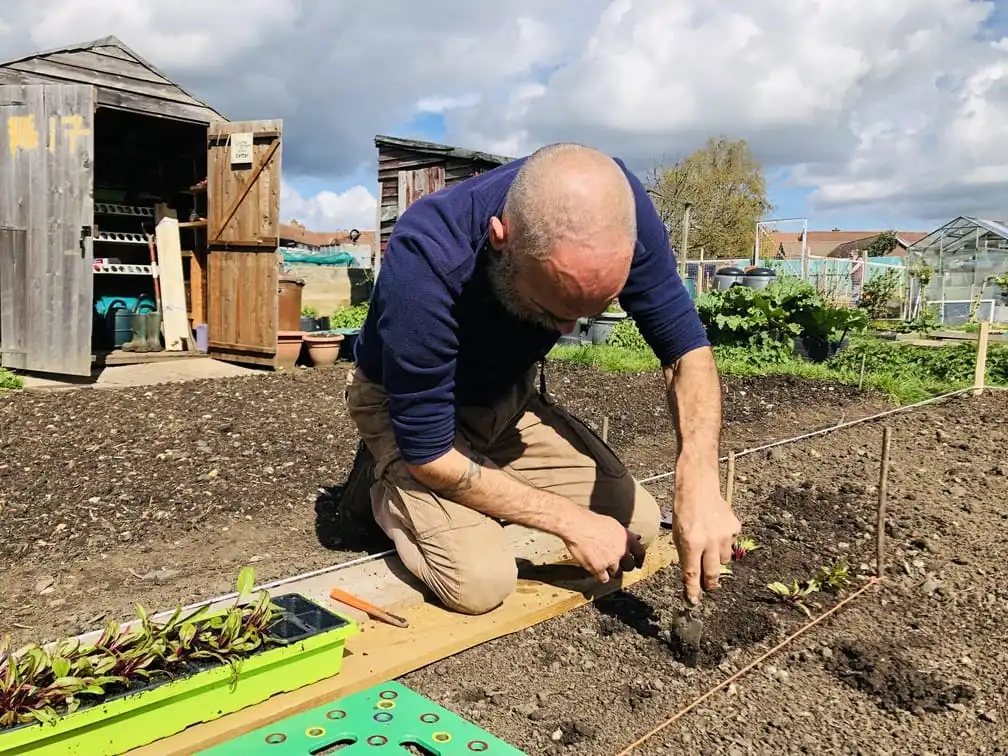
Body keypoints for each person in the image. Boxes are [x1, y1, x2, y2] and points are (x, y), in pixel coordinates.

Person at [340, 142, 740, 615]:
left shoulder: (618, 208)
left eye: (589, 313)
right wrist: (570, 522)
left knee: (639, 523)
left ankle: (479, 489)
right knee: (482, 583)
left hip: (505, 398)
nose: (568, 330)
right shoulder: (426, 256)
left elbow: (685, 352)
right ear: (500, 238)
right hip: (413, 416)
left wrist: (698, 479)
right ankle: (380, 484)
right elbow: (430, 455)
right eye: (551, 310)